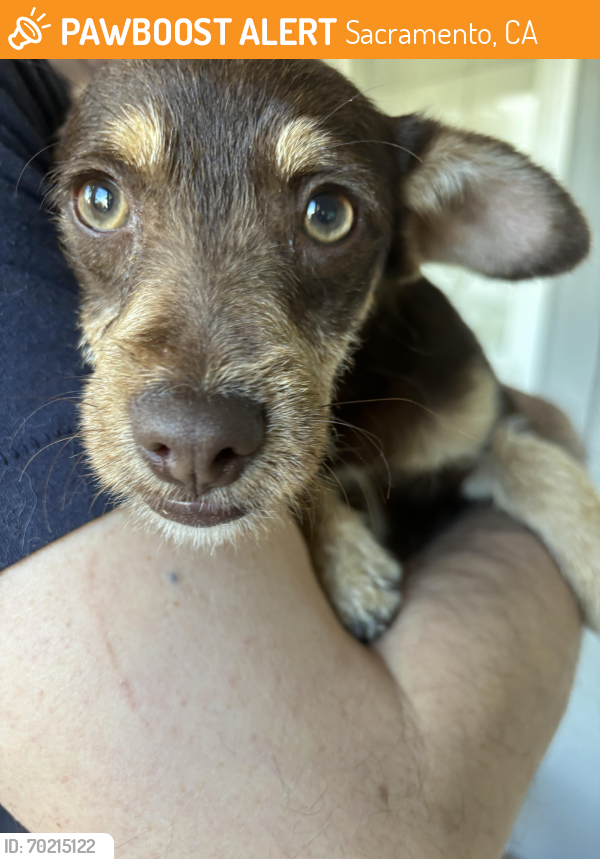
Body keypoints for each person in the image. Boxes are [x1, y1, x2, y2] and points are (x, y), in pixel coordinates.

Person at [0, 60, 582, 856]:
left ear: (413, 228)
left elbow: (513, 429)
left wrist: (550, 464)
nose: (194, 429)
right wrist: (313, 508)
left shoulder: (437, 378)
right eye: (104, 200)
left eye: (325, 213)